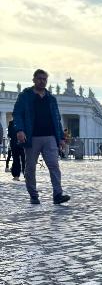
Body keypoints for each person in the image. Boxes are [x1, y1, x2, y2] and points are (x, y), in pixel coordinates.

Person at [12, 69, 70, 205]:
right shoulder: (25, 96)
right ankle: (33, 195)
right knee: (30, 168)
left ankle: (58, 194)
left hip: (50, 137)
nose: (42, 81)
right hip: (32, 137)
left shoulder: (51, 98)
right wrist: (19, 130)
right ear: (34, 79)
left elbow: (57, 118)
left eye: (44, 79)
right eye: (39, 78)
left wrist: (61, 137)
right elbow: (17, 114)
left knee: (54, 166)